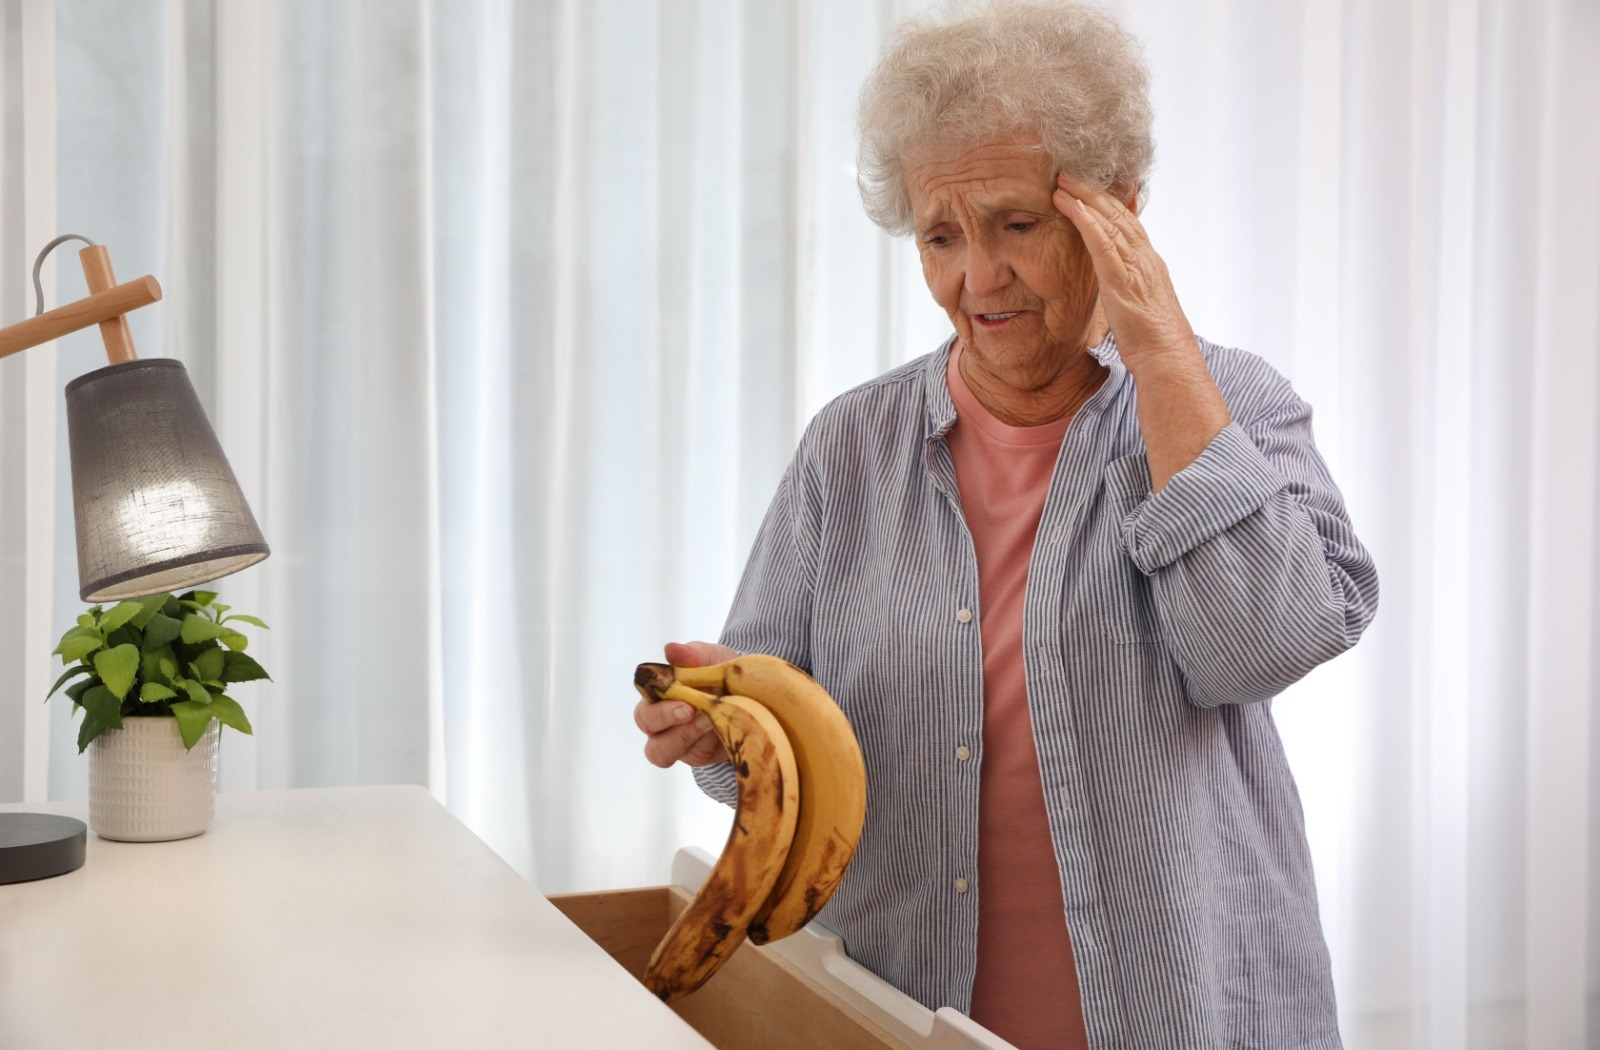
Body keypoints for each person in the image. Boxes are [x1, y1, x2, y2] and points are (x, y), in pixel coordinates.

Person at [633, 2, 1378, 1047]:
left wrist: (1159, 348)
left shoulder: (1235, 404)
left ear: (1114, 208)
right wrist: (715, 733)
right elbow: (776, 749)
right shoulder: (849, 450)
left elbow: (1263, 643)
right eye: (941, 236)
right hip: (897, 1018)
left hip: (1184, 1018)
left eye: (1015, 224)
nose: (975, 278)